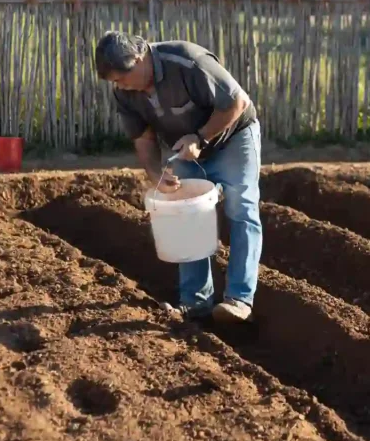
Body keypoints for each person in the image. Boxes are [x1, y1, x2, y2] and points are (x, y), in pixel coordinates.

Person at [94, 31, 261, 323]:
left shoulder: (187, 61)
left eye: (123, 77)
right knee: (187, 215)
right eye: (115, 82)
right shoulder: (125, 91)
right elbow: (143, 138)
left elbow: (237, 103)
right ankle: (196, 303)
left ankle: (239, 300)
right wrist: (156, 174)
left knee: (240, 208)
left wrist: (200, 137)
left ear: (141, 58)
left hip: (234, 138)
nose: (120, 86)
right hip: (182, 149)